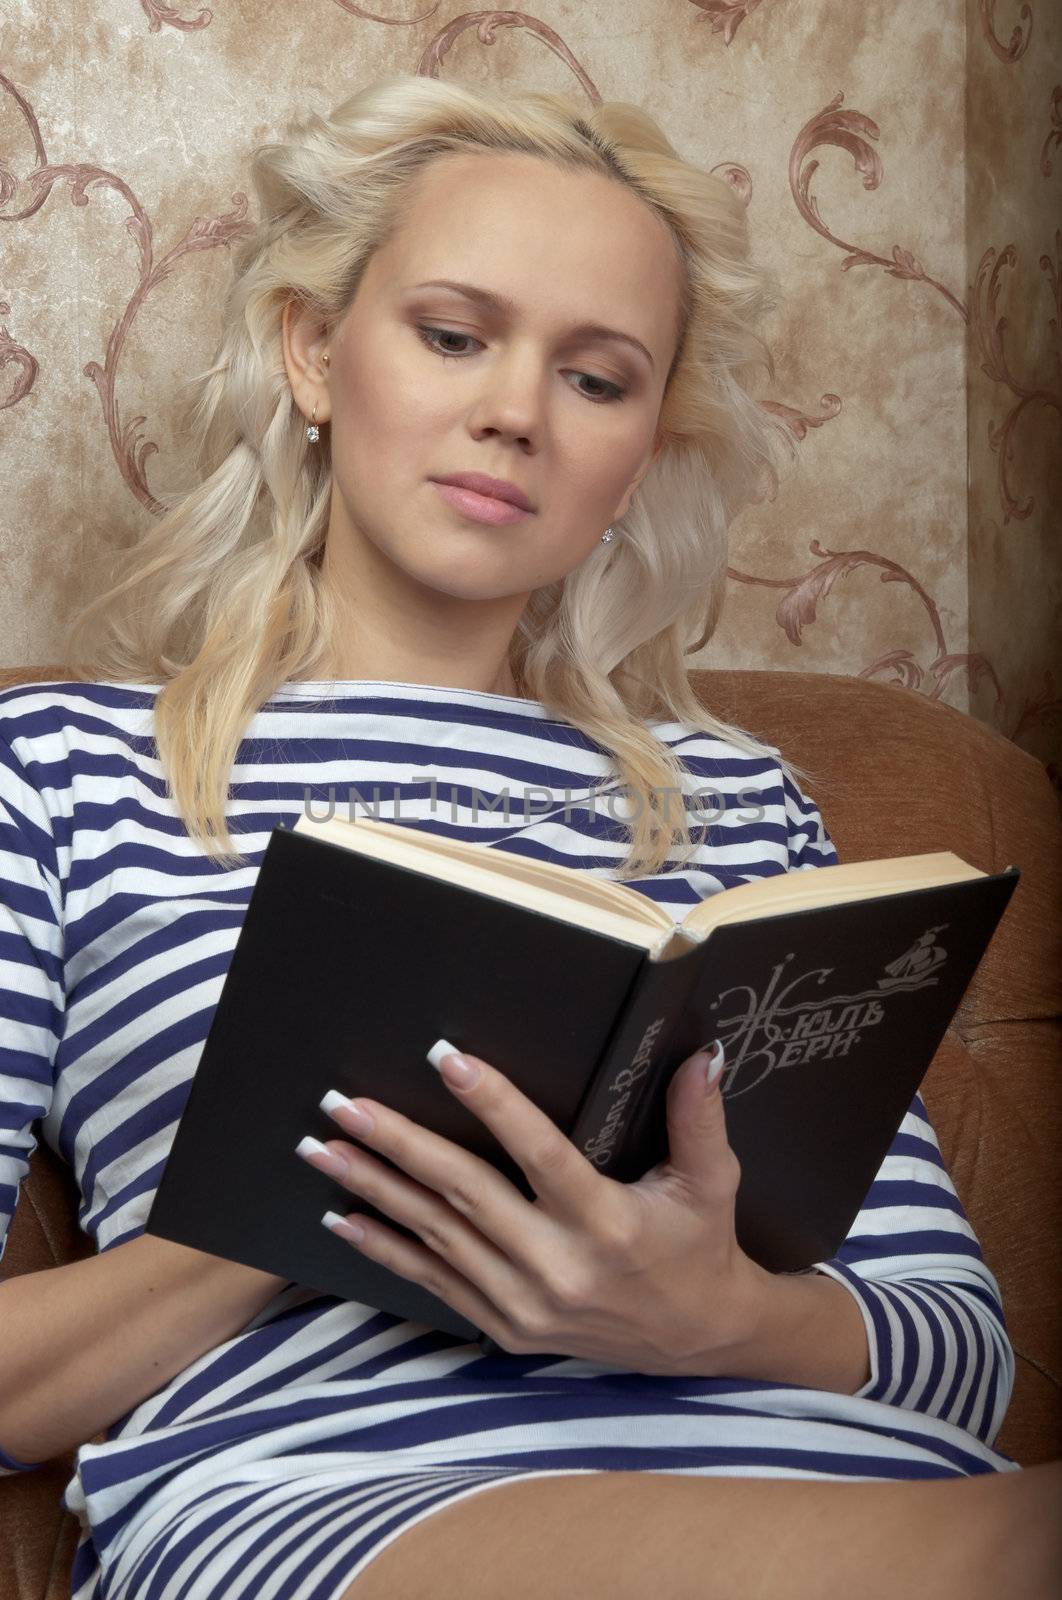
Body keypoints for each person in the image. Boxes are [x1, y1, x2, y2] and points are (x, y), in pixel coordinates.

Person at [0, 71, 1058, 1600]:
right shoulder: (62, 770)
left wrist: (712, 1317)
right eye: (451, 335)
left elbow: (956, 1350)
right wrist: (324, 1194)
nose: (512, 410)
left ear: (640, 450)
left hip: (867, 1489)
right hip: (354, 1503)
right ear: (312, 352)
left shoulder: (738, 800)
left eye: (598, 376)